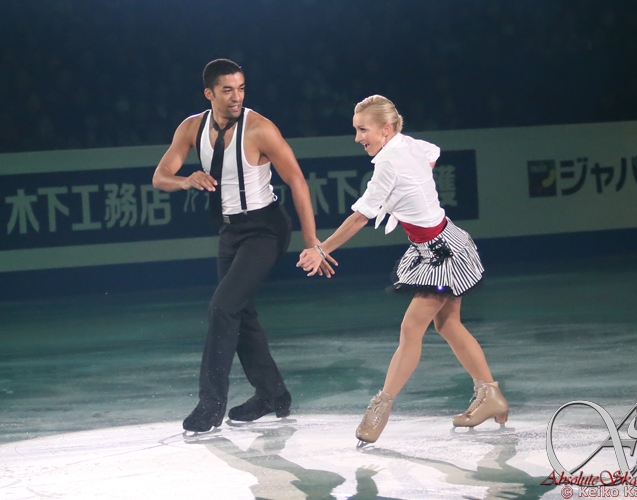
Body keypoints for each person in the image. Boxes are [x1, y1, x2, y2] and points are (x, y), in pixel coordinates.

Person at [297, 95, 508, 445]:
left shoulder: (388, 164)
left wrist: (321, 250)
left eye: (363, 130)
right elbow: (432, 152)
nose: (357, 138)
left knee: (412, 328)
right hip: (443, 242)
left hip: (442, 254)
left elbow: (360, 218)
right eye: (356, 130)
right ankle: (491, 394)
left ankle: (381, 408)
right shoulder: (407, 145)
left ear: (386, 129)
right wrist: (416, 189)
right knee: (448, 324)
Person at [153, 59, 335, 433]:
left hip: (265, 229)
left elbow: (297, 182)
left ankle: (210, 405)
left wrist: (312, 243)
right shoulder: (191, 127)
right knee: (240, 313)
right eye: (227, 90)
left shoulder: (260, 129)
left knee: (222, 307)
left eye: (241, 88)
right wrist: (186, 180)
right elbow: (160, 177)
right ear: (209, 93)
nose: (237, 97)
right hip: (229, 231)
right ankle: (272, 394)